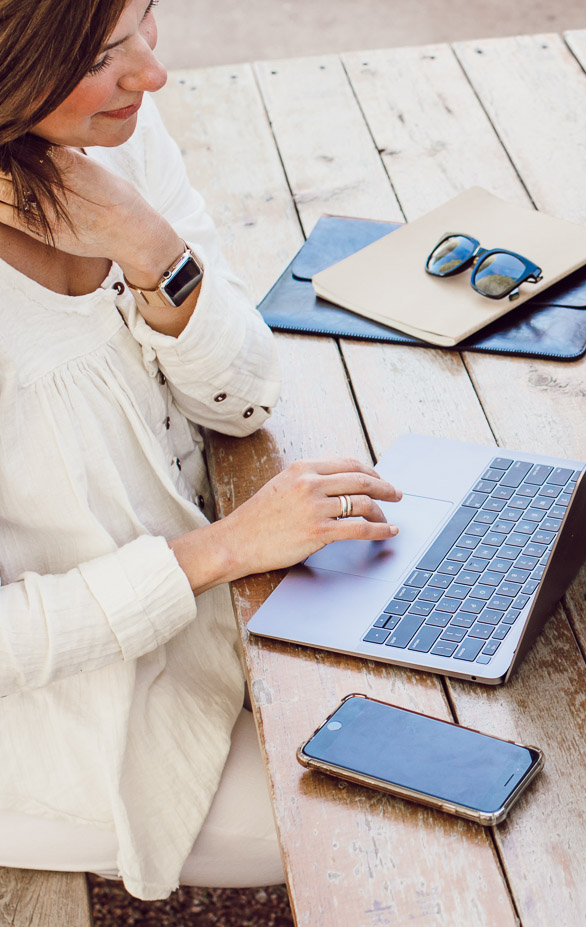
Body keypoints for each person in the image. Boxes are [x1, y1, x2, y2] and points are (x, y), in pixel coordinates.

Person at [0, 0, 404, 899]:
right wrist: (220, 551)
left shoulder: (117, 135)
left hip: (211, 606)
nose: (152, 74)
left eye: (149, 22)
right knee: (373, 817)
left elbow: (246, 394)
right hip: (66, 711)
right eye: (107, 55)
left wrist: (146, 245)